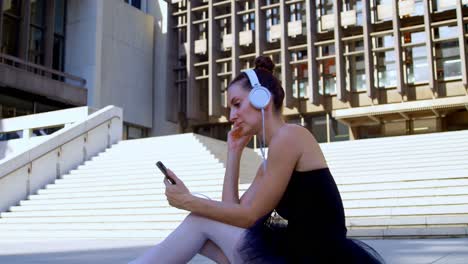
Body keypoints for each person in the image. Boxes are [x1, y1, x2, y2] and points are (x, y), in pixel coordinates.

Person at [129, 56, 385, 263]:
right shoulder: (272, 156)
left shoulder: (290, 136)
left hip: (315, 257)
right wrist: (234, 153)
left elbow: (248, 216)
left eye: (237, 104)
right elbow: (230, 212)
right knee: (203, 222)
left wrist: (188, 201)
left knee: (199, 215)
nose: (231, 115)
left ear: (262, 98)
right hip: (295, 254)